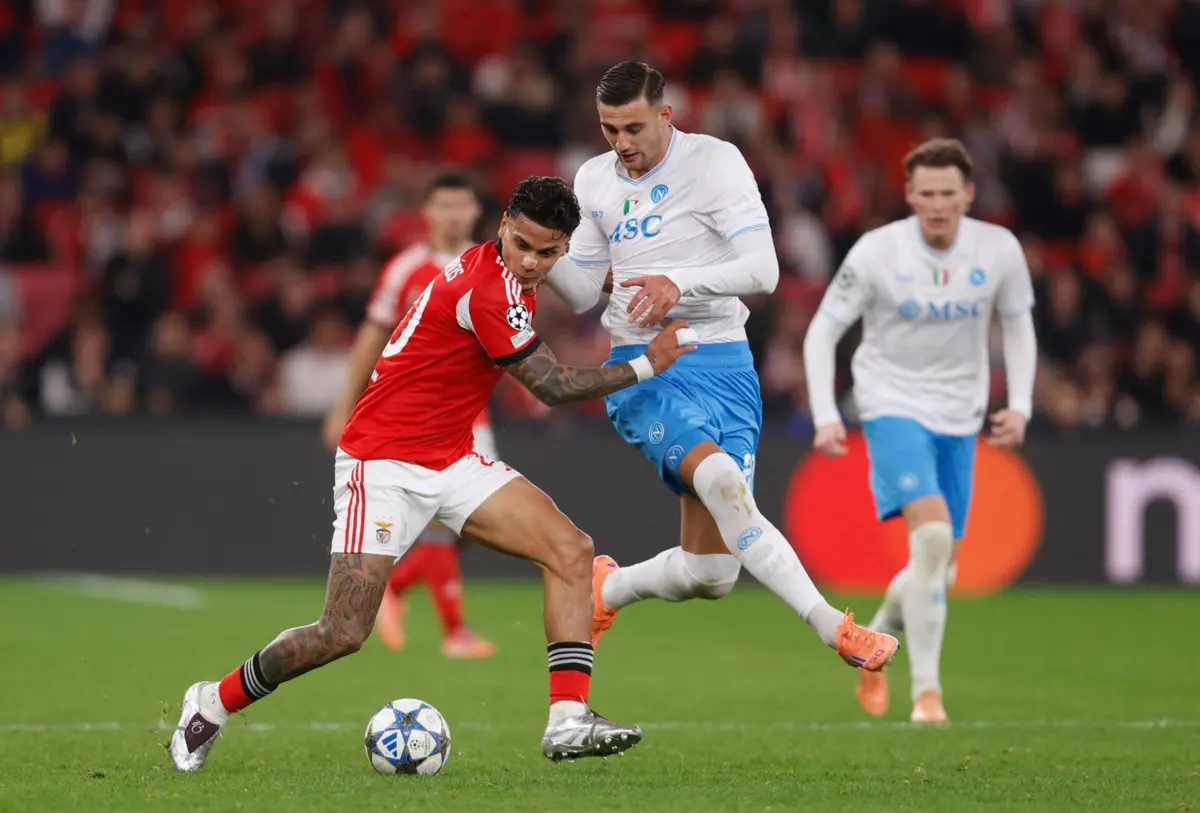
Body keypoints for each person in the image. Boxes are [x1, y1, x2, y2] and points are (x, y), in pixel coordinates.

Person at [170, 176, 697, 771]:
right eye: (522, 245)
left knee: (571, 550)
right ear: (502, 225)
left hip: (450, 456)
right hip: (382, 460)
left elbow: (583, 274)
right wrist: (646, 365)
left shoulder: (517, 268)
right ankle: (212, 702)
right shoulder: (484, 289)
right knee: (342, 632)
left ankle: (568, 719)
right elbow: (550, 385)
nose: (532, 262)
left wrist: (647, 275)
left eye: (547, 253)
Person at [544, 61, 898, 673]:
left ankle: (608, 590)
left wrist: (675, 282)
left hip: (726, 365)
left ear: (665, 115)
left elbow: (763, 271)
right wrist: (537, 252)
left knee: (711, 574)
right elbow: (580, 294)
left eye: (632, 128)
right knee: (723, 485)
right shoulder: (594, 179)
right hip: (645, 367)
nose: (621, 144)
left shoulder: (716, 163)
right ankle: (833, 627)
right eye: (609, 130)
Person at [802, 138, 1038, 723]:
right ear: (909, 195)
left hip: (960, 413)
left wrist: (1023, 404)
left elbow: (1019, 326)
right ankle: (927, 696)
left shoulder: (999, 249)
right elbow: (821, 332)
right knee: (931, 542)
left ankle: (876, 639)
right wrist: (826, 413)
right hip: (890, 402)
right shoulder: (877, 252)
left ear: (969, 195)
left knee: (943, 567)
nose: (937, 205)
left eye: (948, 194)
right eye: (926, 194)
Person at [323, 170, 496, 659]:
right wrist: (343, 405)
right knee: (445, 526)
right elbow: (372, 337)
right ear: (427, 212)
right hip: (415, 421)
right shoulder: (405, 269)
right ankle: (454, 631)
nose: (454, 214)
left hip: (471, 417)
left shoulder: (487, 265)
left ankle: (396, 589)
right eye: (444, 205)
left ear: (475, 211)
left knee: (475, 527)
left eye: (462, 205)